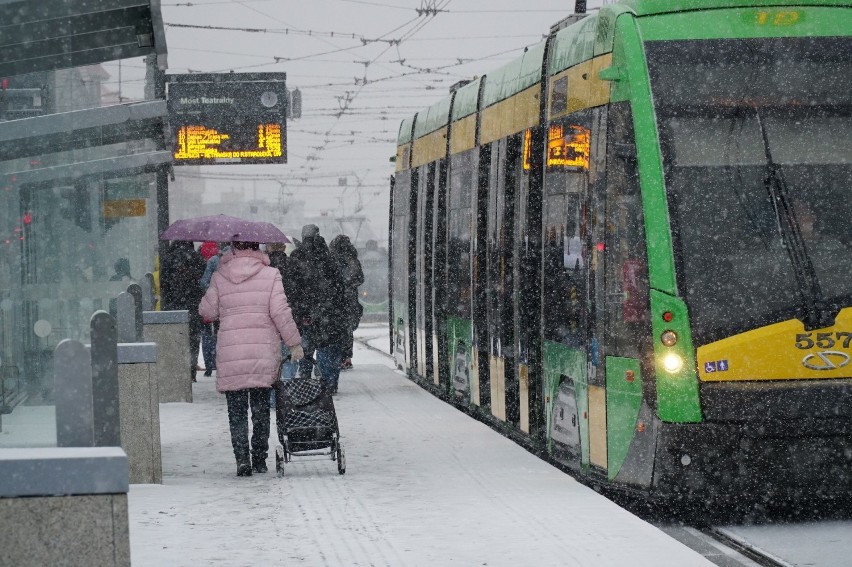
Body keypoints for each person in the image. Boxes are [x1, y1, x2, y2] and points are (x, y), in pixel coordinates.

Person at [198, 240, 303, 477]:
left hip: (231, 352)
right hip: (262, 351)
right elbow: (280, 312)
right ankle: (259, 458)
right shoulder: (271, 274)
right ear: (258, 249)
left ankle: (242, 460)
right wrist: (294, 342)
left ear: (233, 249)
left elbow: (207, 312)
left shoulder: (219, 275)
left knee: (236, 412)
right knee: (261, 409)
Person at [287, 225, 349, 394]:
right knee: (326, 350)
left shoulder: (296, 257)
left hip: (305, 315)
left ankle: (305, 382)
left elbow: (292, 289)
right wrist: (334, 308)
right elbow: (339, 287)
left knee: (306, 351)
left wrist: (299, 310)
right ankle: (329, 385)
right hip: (326, 314)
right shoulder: (328, 257)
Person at [162, 241, 207, 381]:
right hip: (193, 305)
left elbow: (164, 285)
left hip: (174, 306)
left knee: (176, 340)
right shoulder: (197, 258)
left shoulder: (168, 259)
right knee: (193, 340)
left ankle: (178, 372)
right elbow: (202, 280)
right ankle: (191, 370)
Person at [329, 234, 364, 370]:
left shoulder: (331, 260)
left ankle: (337, 357)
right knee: (347, 330)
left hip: (336, 300)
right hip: (350, 300)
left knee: (336, 329)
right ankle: (346, 357)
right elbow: (360, 279)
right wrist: (349, 285)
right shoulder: (353, 260)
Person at [198, 242, 220, 377]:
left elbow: (203, 282)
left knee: (208, 334)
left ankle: (209, 365)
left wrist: (212, 292)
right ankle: (221, 362)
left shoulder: (212, 261)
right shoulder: (235, 259)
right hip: (230, 305)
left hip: (212, 303)